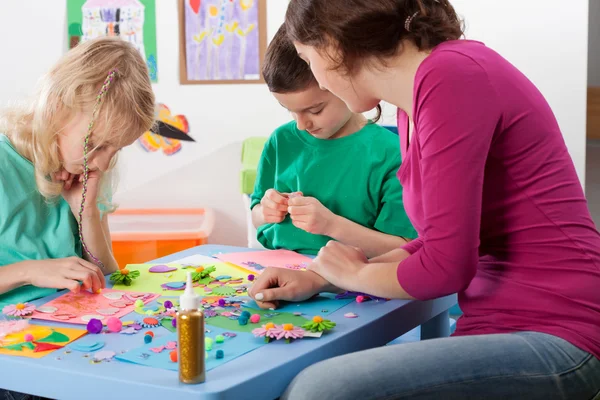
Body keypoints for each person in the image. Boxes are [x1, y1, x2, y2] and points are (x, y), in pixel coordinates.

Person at [248, 1, 600, 398]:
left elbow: (446, 269)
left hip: (561, 328)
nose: (317, 78)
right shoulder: (413, 103)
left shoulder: (451, 77)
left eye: (307, 59)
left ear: (332, 46)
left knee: (323, 388)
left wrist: (354, 275)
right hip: (500, 321)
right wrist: (320, 278)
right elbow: (435, 245)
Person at [0, 37, 155, 309]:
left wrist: (87, 214)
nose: (104, 163)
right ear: (57, 109)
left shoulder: (87, 170)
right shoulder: (5, 164)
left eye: (116, 149)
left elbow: (107, 277)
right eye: (97, 144)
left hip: (73, 326)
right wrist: (29, 272)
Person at [251, 24, 416, 258]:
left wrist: (331, 225)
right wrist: (266, 211)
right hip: (280, 268)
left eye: (315, 110)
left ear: (347, 82)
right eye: (289, 110)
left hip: (357, 281)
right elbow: (257, 217)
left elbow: (403, 249)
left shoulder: (390, 155)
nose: (301, 124)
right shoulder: (281, 141)